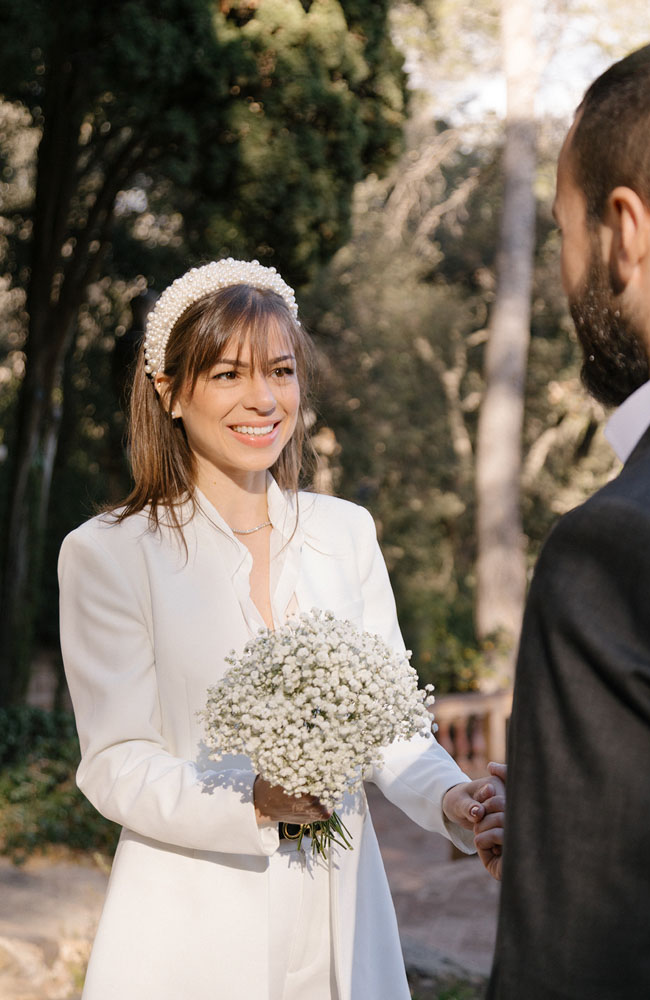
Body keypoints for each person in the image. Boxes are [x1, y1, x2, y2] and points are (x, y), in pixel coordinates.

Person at [59, 257, 504, 1000]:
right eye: (228, 374)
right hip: (189, 933)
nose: (263, 398)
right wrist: (252, 802)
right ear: (169, 392)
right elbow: (117, 762)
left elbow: (391, 727)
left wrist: (455, 802)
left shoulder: (346, 533)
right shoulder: (107, 552)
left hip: (343, 920)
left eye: (281, 371)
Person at [487, 37, 650, 1000]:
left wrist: (568, 872)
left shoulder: (619, 545)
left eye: (563, 229)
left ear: (623, 232)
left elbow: (575, 973)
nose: (564, 269)